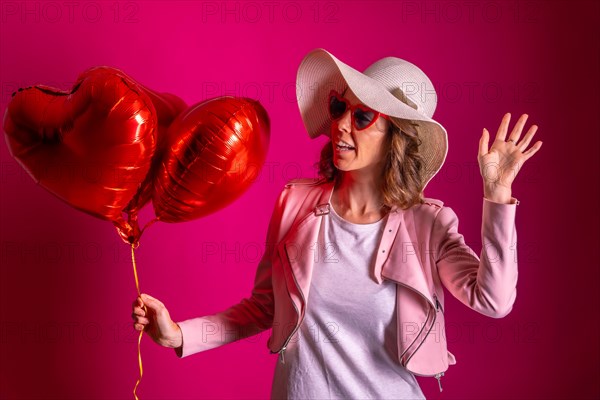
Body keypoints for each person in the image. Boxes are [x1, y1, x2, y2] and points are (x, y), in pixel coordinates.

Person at [131, 48, 542, 398]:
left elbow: (493, 299)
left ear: (395, 138)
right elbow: (264, 308)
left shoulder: (428, 224)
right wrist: (179, 335)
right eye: (338, 106)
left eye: (362, 117)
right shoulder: (294, 203)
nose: (342, 124)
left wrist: (498, 195)